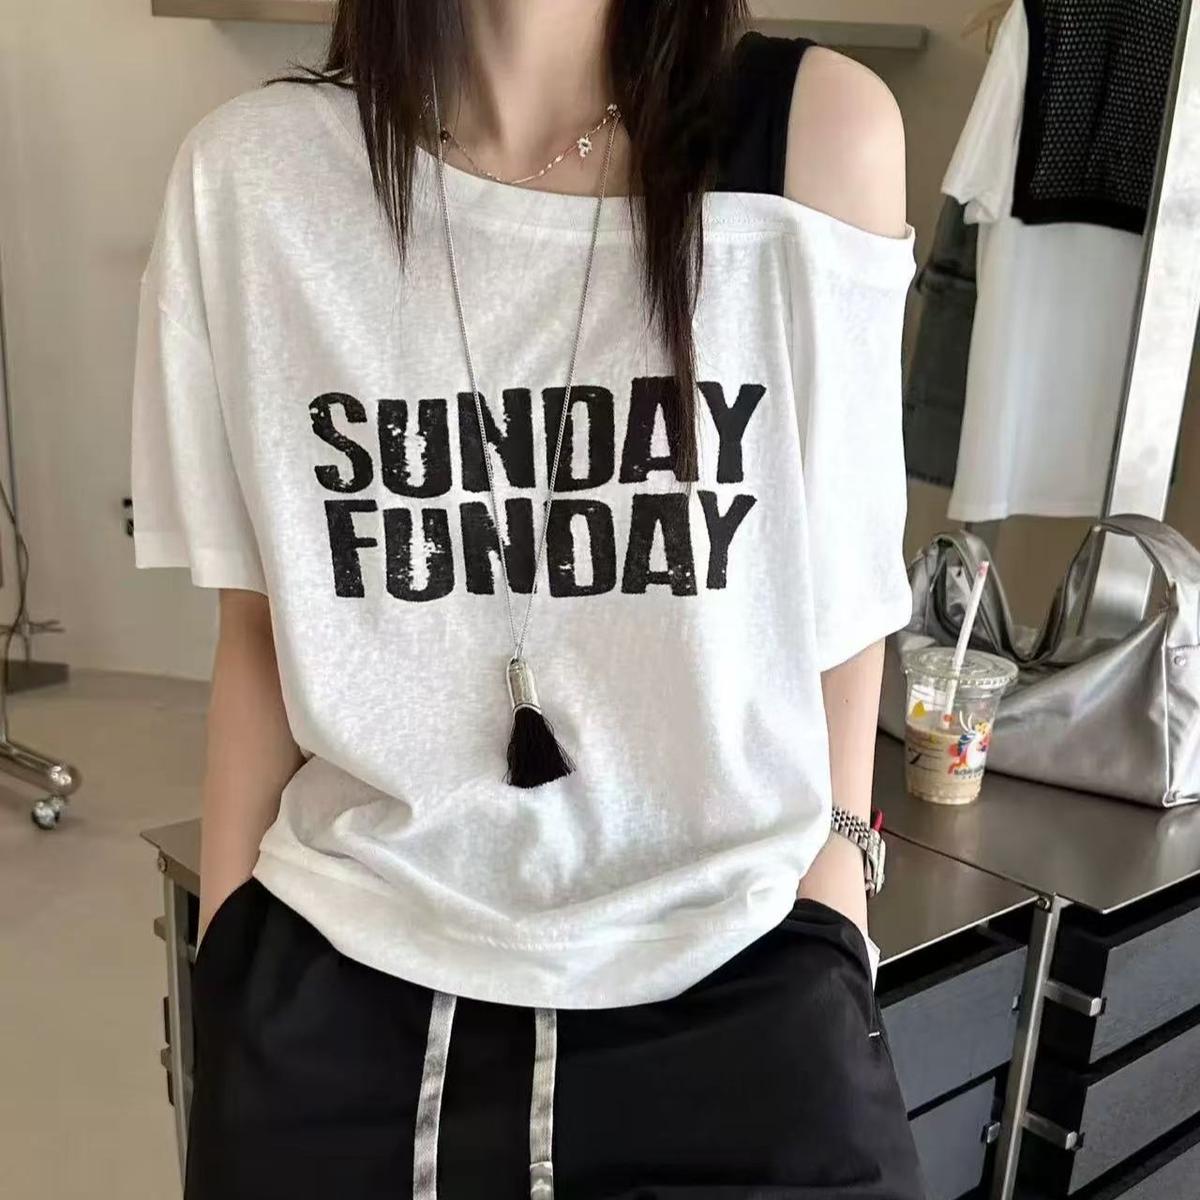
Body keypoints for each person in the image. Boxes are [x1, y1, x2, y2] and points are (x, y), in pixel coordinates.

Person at [130, 1, 925, 1196]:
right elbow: (256, 629)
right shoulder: (254, 180)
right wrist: (230, 955)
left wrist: (839, 893)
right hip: (342, 994)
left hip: (739, 983)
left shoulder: (815, 138)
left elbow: (846, 606)